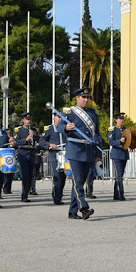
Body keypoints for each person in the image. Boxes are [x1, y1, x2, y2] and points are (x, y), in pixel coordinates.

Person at [58, 87, 101, 220]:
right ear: (77, 98)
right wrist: (66, 127)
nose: (86, 100)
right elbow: (58, 127)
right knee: (77, 181)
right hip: (75, 150)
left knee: (80, 183)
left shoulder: (93, 114)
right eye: (83, 97)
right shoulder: (70, 112)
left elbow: (97, 134)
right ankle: (84, 207)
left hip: (88, 151)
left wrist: (97, 152)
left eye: (87, 97)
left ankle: (72, 211)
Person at [39, 114, 67, 205]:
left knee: (63, 177)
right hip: (54, 155)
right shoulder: (49, 129)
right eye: (58, 117)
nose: (60, 119)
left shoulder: (66, 128)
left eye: (61, 117)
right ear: (54, 118)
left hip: (65, 155)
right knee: (58, 176)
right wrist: (50, 145)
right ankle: (57, 197)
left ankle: (59, 194)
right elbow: (41, 141)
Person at [14, 112, 40, 203]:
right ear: (23, 120)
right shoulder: (19, 130)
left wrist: (36, 138)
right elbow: (15, 143)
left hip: (32, 153)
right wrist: (25, 139)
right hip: (23, 154)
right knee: (25, 175)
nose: (29, 121)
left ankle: (28, 192)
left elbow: (39, 141)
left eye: (30, 119)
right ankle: (24, 195)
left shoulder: (34, 130)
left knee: (31, 175)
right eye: (27, 119)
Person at [108, 112, 131, 201]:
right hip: (116, 154)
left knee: (120, 175)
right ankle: (121, 194)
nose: (121, 120)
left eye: (122, 119)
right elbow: (111, 142)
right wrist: (119, 141)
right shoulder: (112, 130)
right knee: (119, 174)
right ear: (116, 120)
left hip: (124, 154)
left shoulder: (125, 130)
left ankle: (116, 194)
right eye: (120, 119)